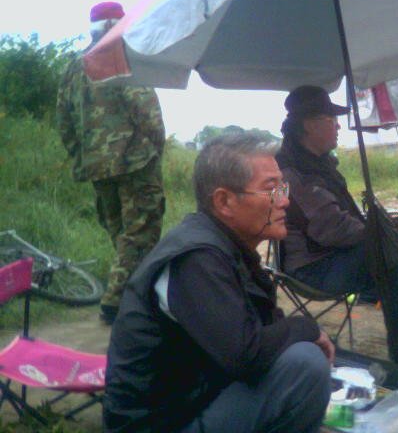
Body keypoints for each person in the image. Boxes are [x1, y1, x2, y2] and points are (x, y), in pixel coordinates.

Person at [104, 133, 333, 433]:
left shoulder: (228, 247)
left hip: (197, 398)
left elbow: (262, 331)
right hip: (163, 422)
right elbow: (245, 356)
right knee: (305, 366)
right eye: (270, 189)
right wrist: (307, 328)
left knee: (297, 356)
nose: (285, 201)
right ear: (224, 201)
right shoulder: (196, 259)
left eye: (283, 187)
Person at [275, 85, 398, 372]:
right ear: (309, 125)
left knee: (391, 244)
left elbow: (336, 223)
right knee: (391, 247)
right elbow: (331, 229)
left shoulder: (310, 163)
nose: (338, 126)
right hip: (313, 269)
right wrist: (377, 231)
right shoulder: (294, 173)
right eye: (331, 120)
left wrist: (378, 227)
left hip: (325, 257)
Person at [56, 1, 166, 325]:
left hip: (97, 165)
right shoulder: (124, 57)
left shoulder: (74, 67)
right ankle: (116, 301)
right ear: (116, 25)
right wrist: (155, 149)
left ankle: (136, 293)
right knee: (140, 231)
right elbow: (147, 113)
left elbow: (64, 122)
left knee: (119, 231)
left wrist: (82, 156)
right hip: (135, 162)